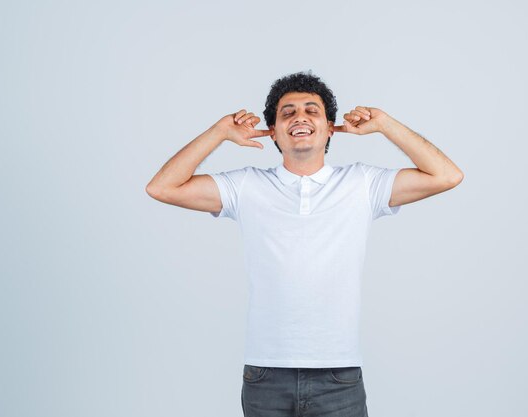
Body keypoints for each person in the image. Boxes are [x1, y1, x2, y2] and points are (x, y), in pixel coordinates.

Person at [146, 71, 464, 417]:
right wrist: (219, 133)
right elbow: (163, 187)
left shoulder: (361, 183)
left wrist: (385, 124)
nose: (299, 117)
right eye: (288, 113)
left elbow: (446, 175)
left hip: (338, 374)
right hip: (265, 374)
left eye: (312, 111)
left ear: (330, 127)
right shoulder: (246, 187)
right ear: (273, 133)